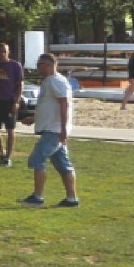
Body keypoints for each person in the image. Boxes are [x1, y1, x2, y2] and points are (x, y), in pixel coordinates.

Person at [22, 51, 79, 207]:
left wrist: (63, 129)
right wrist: (34, 118)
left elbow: (64, 104)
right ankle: (71, 199)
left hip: (54, 131)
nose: (37, 68)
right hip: (54, 129)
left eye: (39, 65)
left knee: (37, 158)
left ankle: (37, 197)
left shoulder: (54, 81)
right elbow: (49, 106)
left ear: (47, 65)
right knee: (63, 164)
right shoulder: (52, 81)